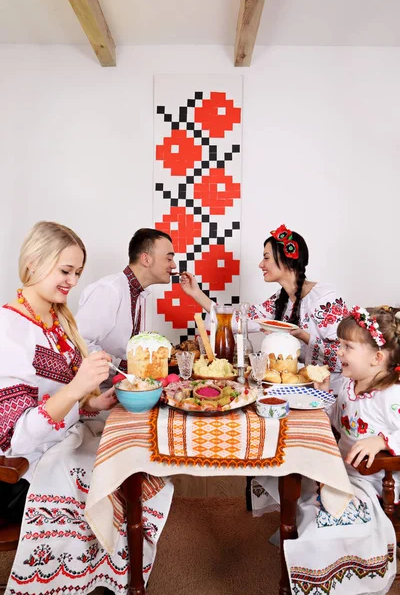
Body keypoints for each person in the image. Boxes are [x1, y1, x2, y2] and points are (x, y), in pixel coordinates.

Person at [0, 221, 173, 594]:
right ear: (34, 261)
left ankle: (110, 573)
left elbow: (66, 404)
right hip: (26, 468)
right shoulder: (10, 328)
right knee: (122, 468)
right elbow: (17, 438)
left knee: (141, 455)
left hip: (63, 439)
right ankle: (96, 576)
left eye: (77, 272)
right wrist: (79, 386)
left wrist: (92, 402)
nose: (73, 282)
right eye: (65, 271)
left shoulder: (57, 320)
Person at [254, 306, 400, 594]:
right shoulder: (349, 384)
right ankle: (297, 533)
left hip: (373, 482)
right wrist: (323, 393)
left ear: (377, 358)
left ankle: (323, 564)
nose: (339, 352)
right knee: (287, 468)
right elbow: (337, 419)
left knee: (324, 515)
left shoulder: (392, 395)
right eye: (340, 344)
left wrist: (382, 441)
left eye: (347, 346)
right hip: (342, 469)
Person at [180, 224, 348, 385]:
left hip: (329, 390)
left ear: (287, 259)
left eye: (266, 258)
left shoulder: (325, 299)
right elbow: (241, 319)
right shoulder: (279, 299)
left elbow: (345, 356)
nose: (261, 264)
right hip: (297, 386)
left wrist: (302, 335)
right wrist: (196, 293)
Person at [76, 228, 176, 375]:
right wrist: (125, 368)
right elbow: (79, 343)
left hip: (121, 388)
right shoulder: (108, 290)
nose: (173, 265)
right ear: (146, 259)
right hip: (98, 391)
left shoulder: (139, 293)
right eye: (169, 258)